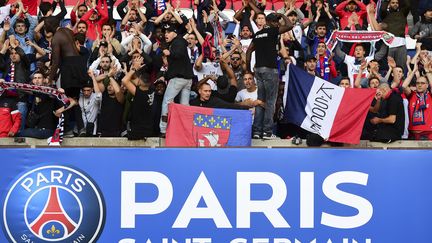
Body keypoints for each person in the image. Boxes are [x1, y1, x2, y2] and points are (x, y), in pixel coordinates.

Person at [246, 12, 293, 139]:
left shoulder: (258, 34)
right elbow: (290, 25)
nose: (277, 24)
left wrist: (247, 69)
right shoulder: (273, 31)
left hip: (258, 70)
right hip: (270, 70)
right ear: (270, 22)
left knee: (261, 101)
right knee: (270, 102)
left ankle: (256, 131)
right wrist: (282, 15)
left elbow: (249, 51)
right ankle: (267, 131)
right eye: (275, 21)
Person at [46, 16, 88, 137]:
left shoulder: (55, 38)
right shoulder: (68, 31)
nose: (45, 28)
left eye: (46, 26)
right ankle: (81, 128)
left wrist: (50, 79)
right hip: (79, 65)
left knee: (65, 99)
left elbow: (55, 62)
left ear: (50, 26)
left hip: (69, 67)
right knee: (74, 100)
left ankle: (68, 130)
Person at [159, 24, 194, 136]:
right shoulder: (179, 41)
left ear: (174, 33)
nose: (166, 34)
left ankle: (163, 130)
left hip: (178, 79)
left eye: (168, 32)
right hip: (187, 79)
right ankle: (187, 129)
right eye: (165, 32)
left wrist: (169, 53)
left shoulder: (177, 42)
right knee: (184, 106)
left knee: (166, 103)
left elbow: (178, 53)